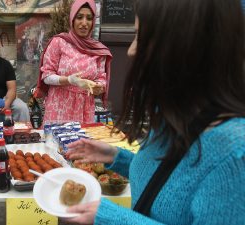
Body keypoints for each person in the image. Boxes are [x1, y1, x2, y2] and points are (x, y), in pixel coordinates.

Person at [65, 0, 245, 224]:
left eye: (141, 37)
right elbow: (169, 182)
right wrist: (116, 158)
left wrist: (110, 218)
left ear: (185, 45)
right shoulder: (173, 115)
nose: (131, 51)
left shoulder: (234, 159)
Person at [34, 0, 112, 124]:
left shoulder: (98, 50)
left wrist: (98, 87)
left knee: (81, 142)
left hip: (85, 109)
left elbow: (102, 78)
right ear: (72, 19)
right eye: (79, 17)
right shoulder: (59, 42)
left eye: (89, 18)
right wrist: (69, 80)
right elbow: (46, 76)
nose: (84, 23)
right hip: (59, 106)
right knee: (56, 141)